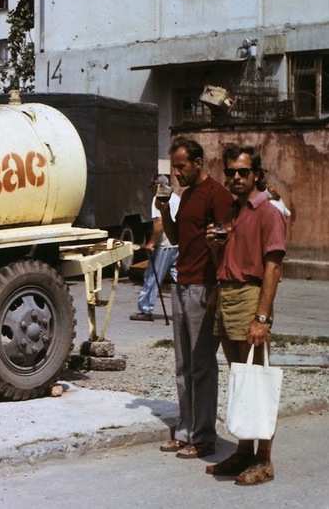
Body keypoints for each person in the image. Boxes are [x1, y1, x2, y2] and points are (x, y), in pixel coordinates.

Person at [204, 145, 286, 485]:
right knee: (240, 379)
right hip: (227, 296)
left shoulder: (269, 211)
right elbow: (227, 260)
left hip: (250, 297)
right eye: (231, 172)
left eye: (243, 172)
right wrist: (215, 247)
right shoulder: (234, 211)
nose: (236, 178)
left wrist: (262, 317)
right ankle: (243, 452)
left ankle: (264, 460)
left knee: (256, 380)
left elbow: (273, 266)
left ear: (256, 174)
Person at [155, 137, 233, 459]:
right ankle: (185, 430)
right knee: (182, 364)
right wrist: (165, 212)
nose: (176, 173)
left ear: (198, 162)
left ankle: (203, 437)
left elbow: (226, 242)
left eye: (181, 166)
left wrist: (218, 288)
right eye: (174, 167)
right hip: (181, 283)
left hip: (203, 287)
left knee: (201, 366)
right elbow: (176, 238)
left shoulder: (218, 195)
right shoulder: (185, 196)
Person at [131, 174, 180, 322]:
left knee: (152, 276)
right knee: (178, 276)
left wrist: (151, 243)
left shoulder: (158, 199)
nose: (151, 190)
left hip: (165, 244)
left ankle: (145, 309)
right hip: (176, 243)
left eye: (153, 186)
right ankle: (187, 306)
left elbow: (159, 225)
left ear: (158, 186)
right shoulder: (176, 198)